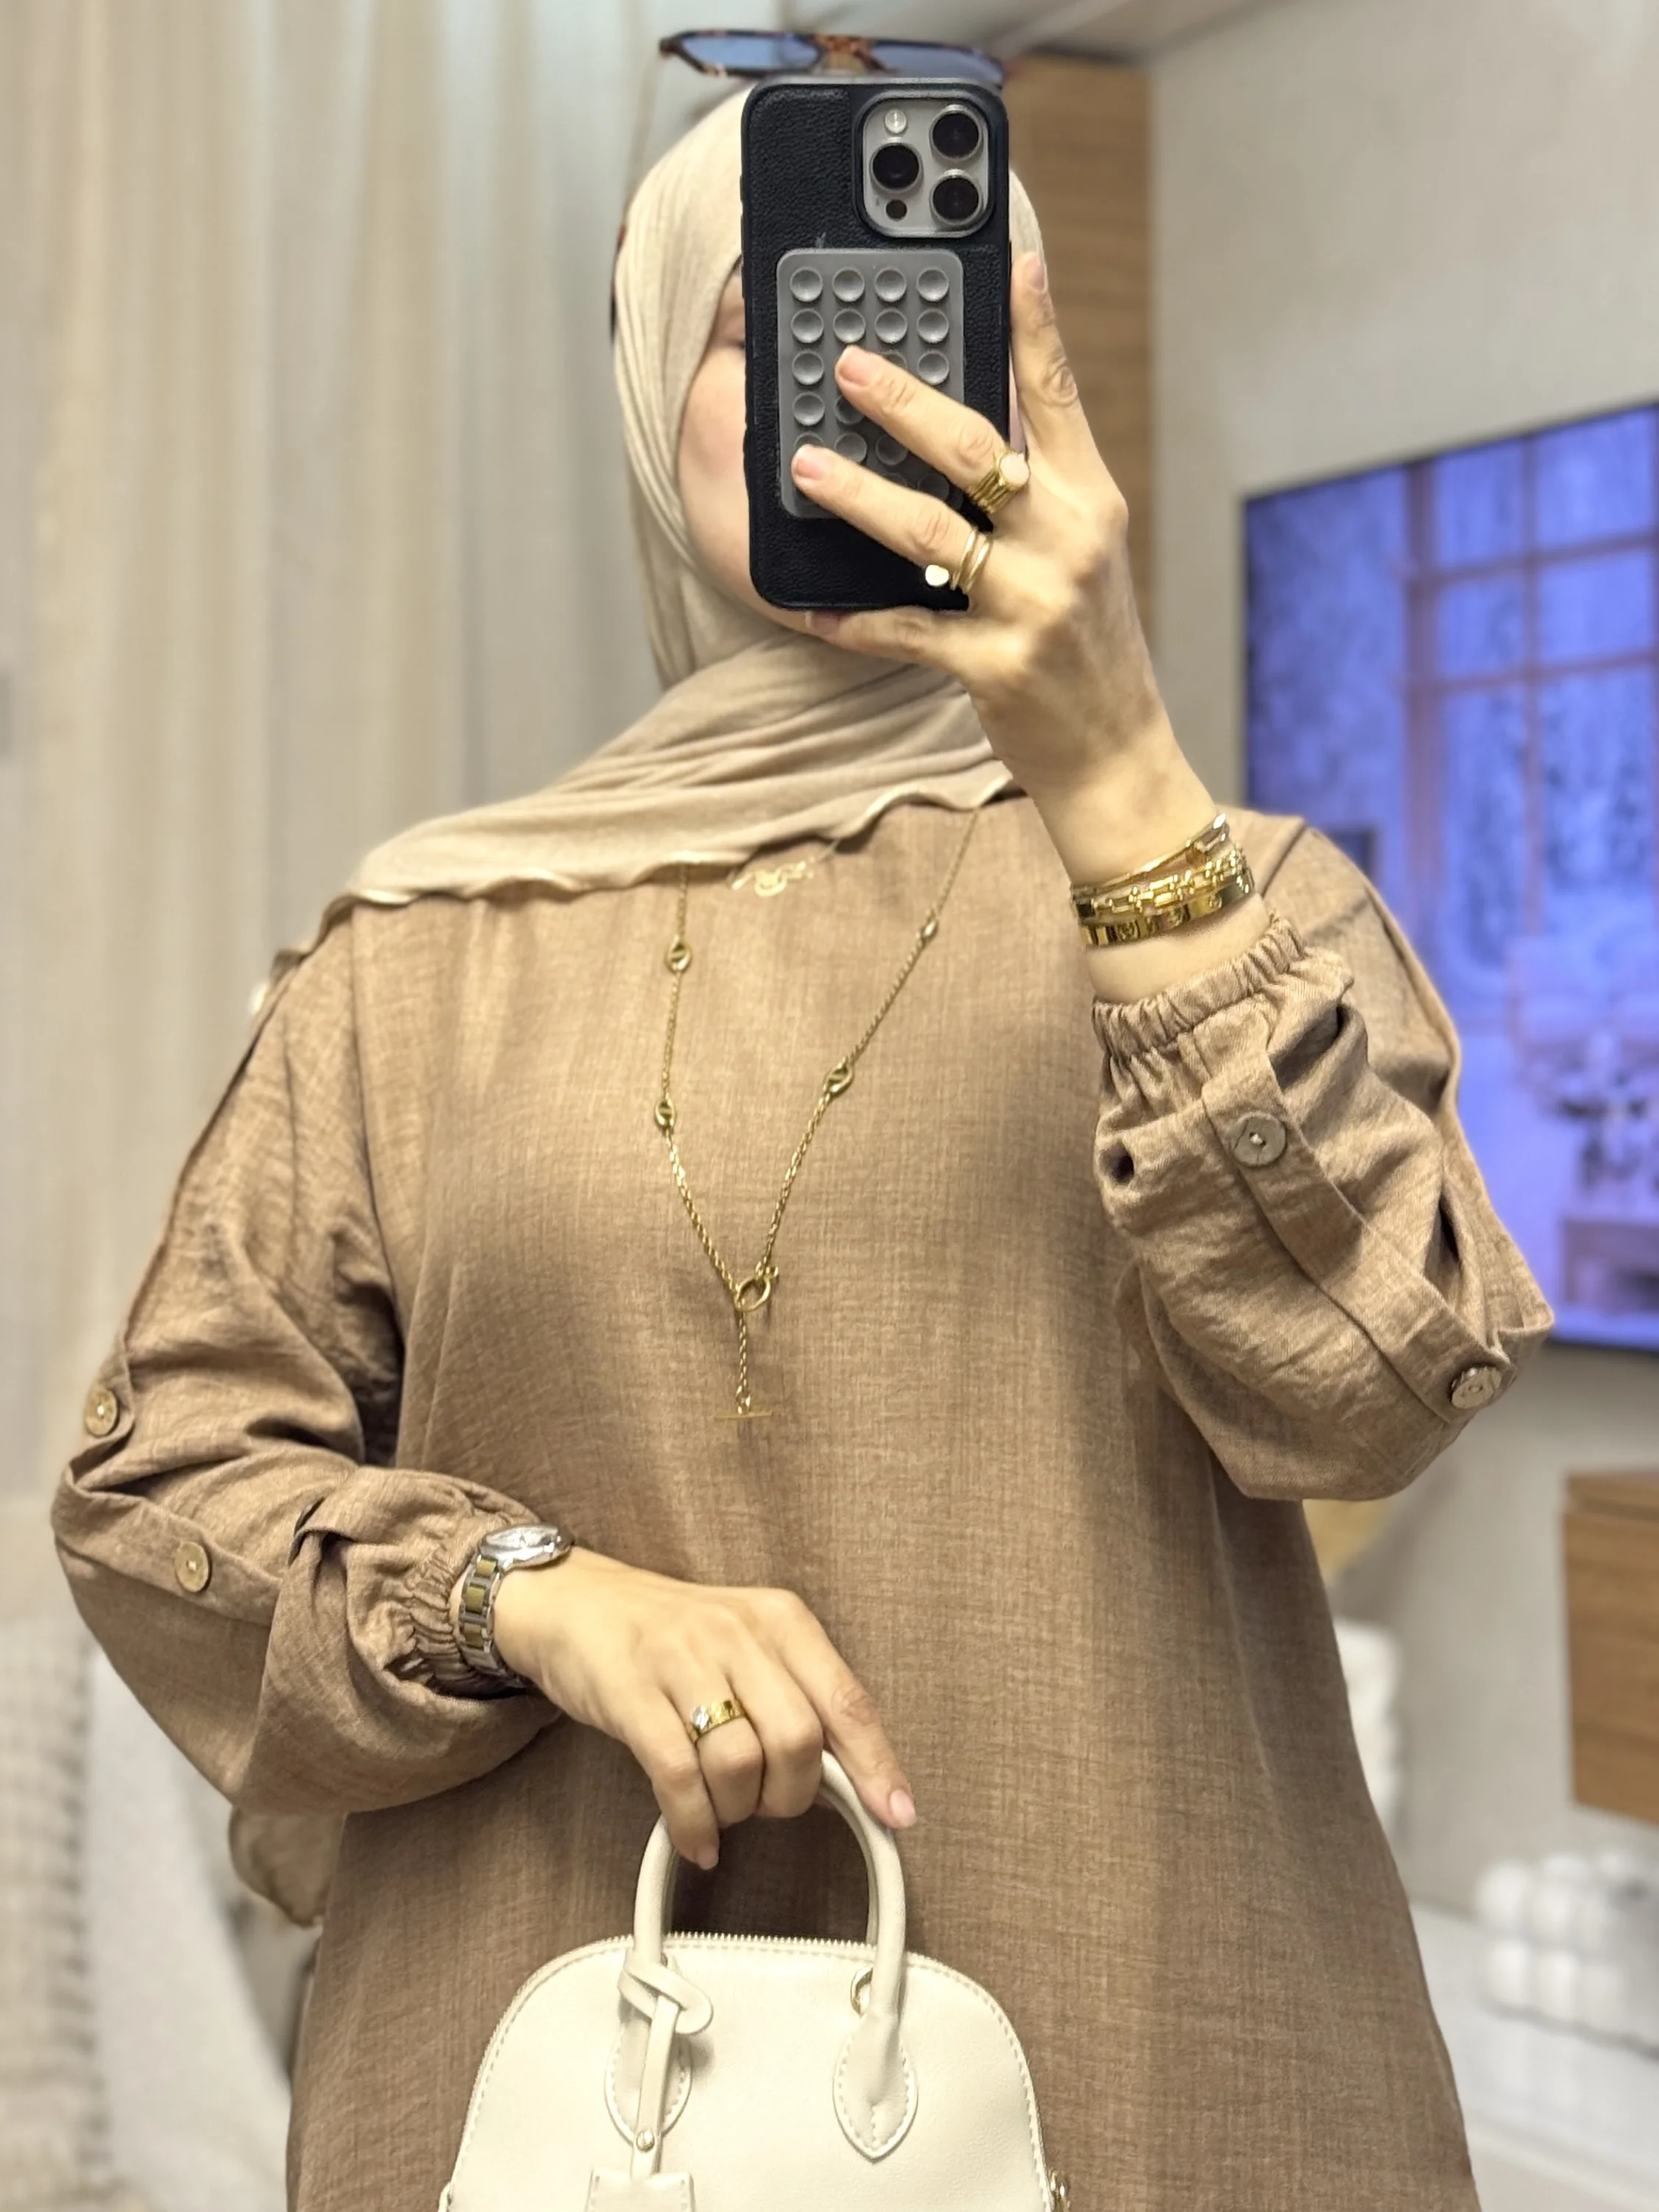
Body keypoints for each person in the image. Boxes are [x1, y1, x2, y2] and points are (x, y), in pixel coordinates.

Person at [51, 90, 1552, 2212]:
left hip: (1144, 2048)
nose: (845, 381)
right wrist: (524, 1594)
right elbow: (162, 1499)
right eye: (755, 329)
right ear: (643, 397)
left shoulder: (1246, 899)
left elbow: (1369, 1389)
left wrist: (1120, 774)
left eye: (914, 326)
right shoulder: (419, 958)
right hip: (554, 2089)